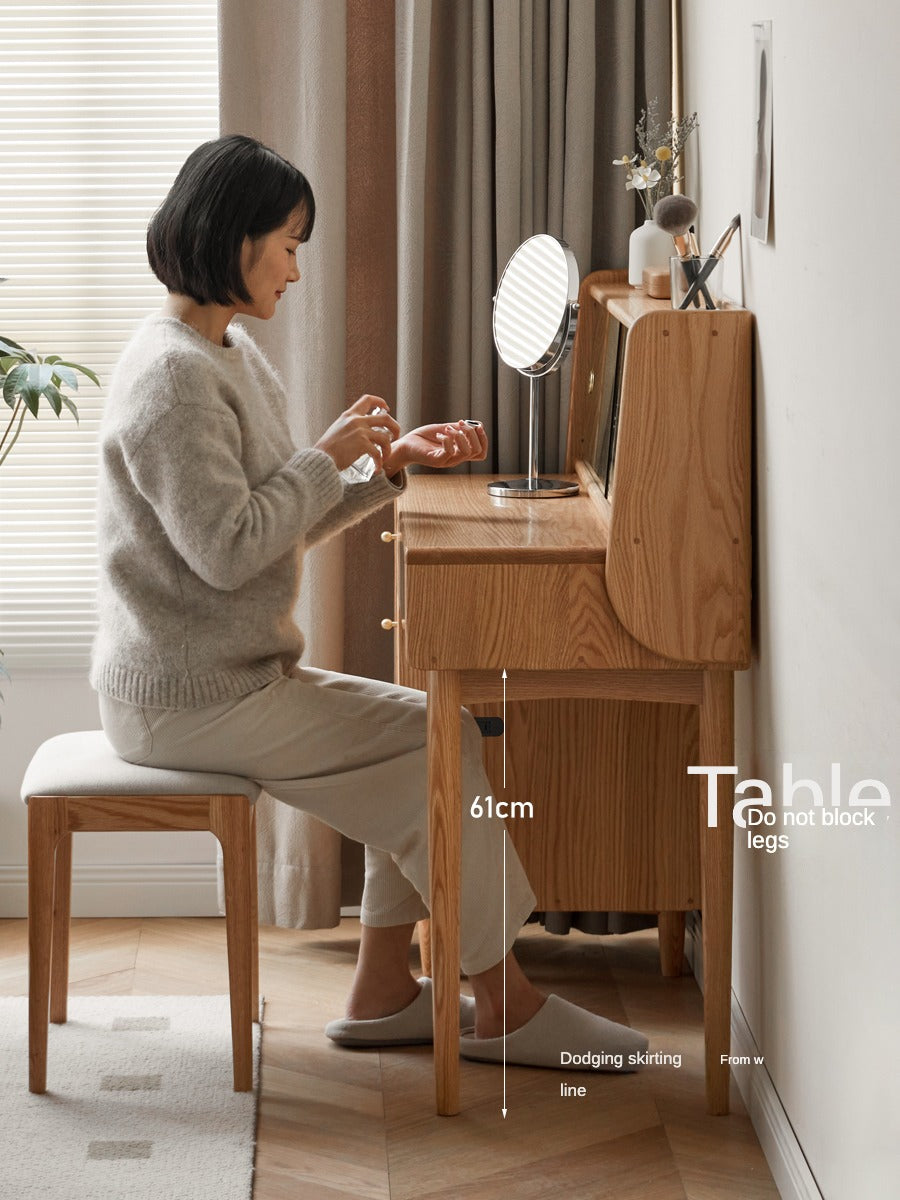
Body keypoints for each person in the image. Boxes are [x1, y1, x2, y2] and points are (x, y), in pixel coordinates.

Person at [90, 134, 648, 1069]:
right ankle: (501, 1001)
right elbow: (229, 552)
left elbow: (272, 520)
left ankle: (384, 988)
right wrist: (331, 453)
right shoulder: (171, 380)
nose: (297, 271)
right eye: (289, 244)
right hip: (187, 699)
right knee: (430, 742)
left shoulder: (222, 352)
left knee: (436, 737)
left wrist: (385, 466)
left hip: (228, 680)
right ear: (232, 238)